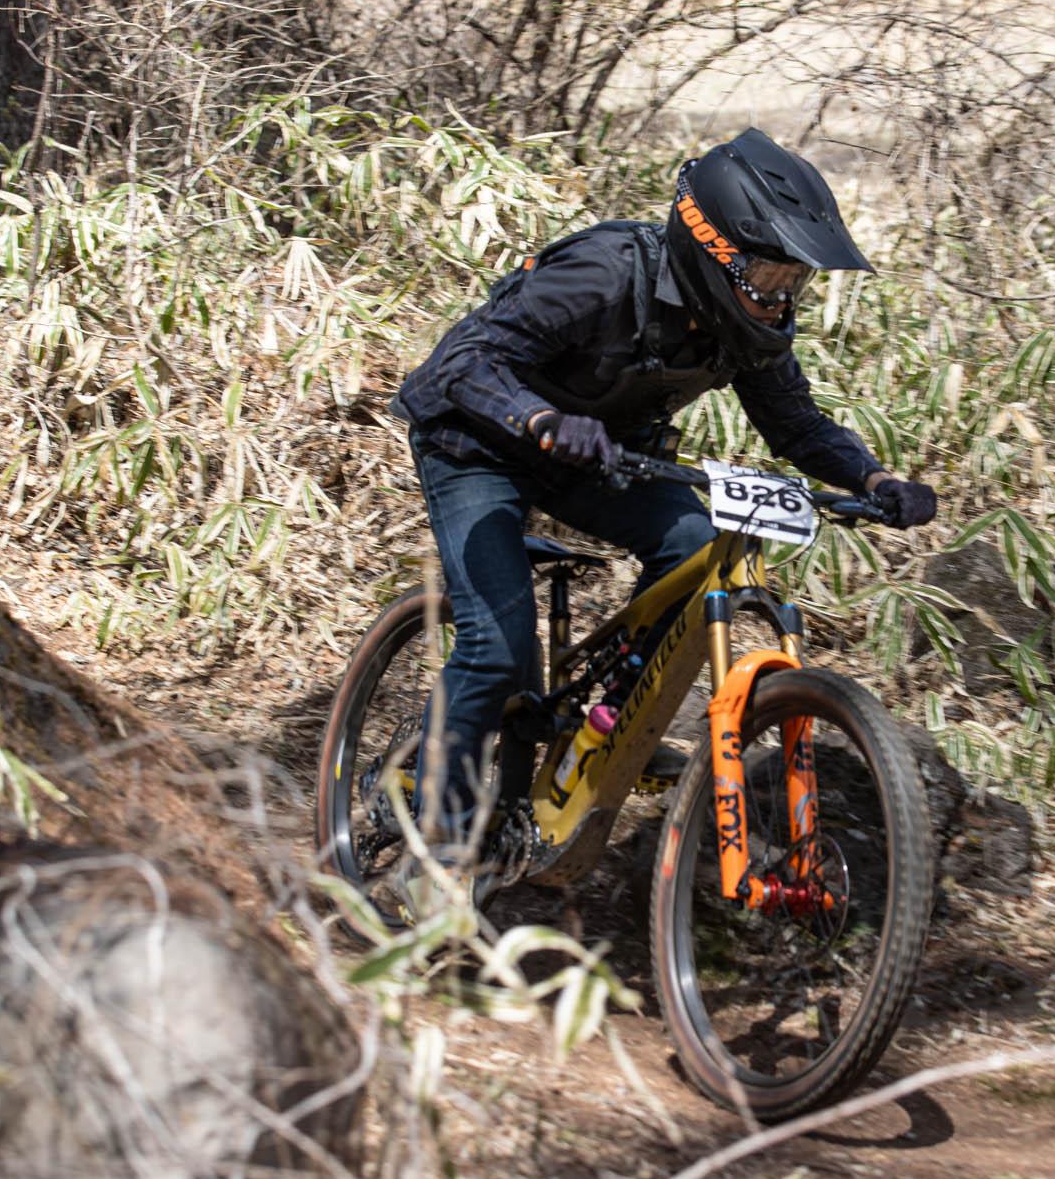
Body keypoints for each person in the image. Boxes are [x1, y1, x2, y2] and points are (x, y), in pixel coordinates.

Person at [390, 128, 938, 840]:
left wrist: (875, 477)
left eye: (792, 282)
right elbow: (462, 363)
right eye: (768, 277)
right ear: (713, 249)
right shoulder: (603, 274)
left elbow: (798, 425)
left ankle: (612, 725)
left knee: (694, 548)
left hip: (596, 457)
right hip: (476, 443)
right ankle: (435, 829)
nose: (779, 300)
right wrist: (540, 418)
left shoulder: (743, 328)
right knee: (497, 648)